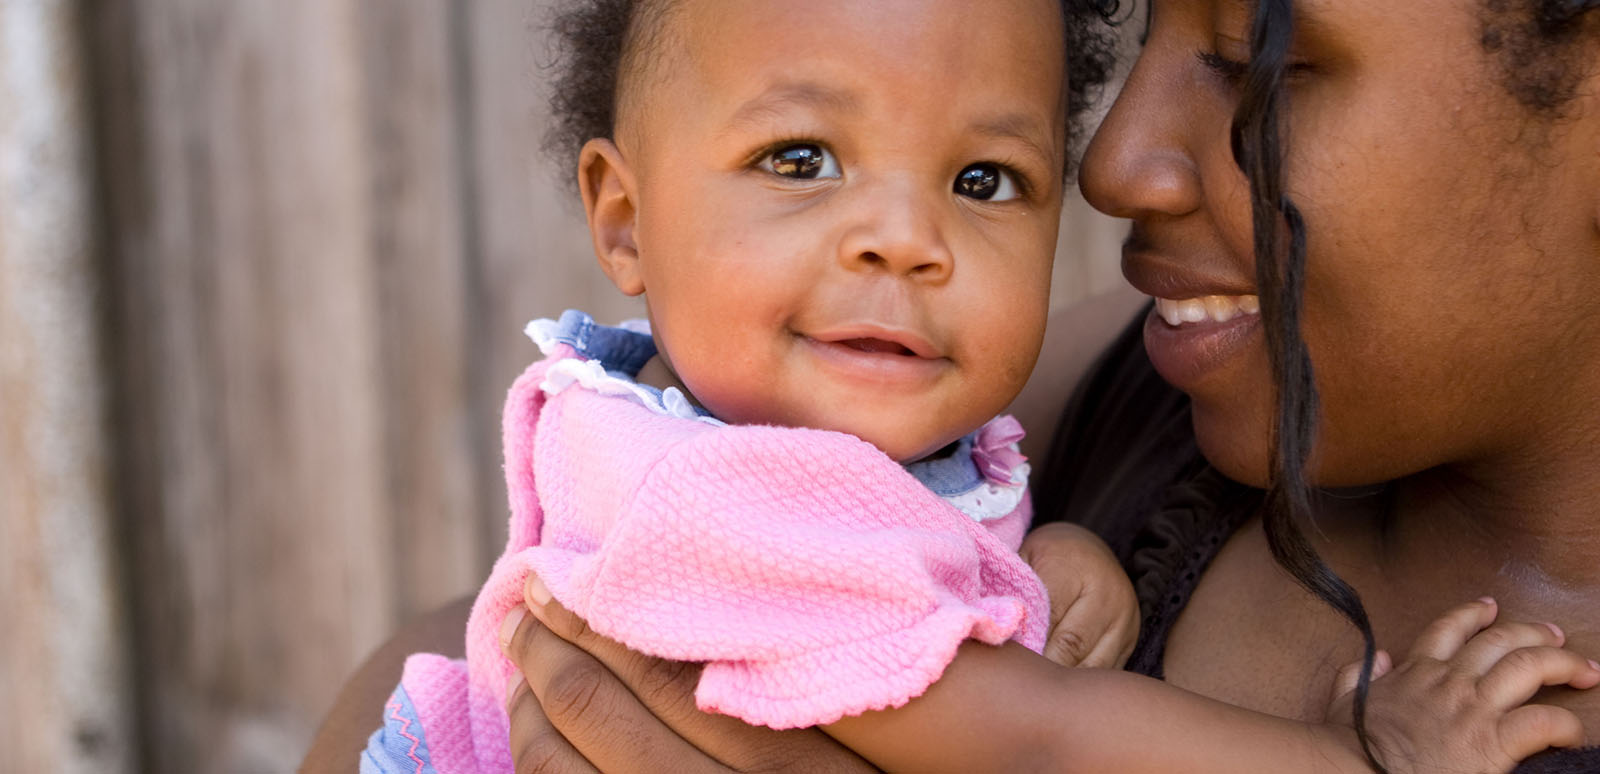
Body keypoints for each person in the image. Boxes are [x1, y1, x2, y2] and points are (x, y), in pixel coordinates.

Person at [301, 0, 1600, 771]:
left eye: (1257, 54)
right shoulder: (1133, 401)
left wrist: (1025, 565)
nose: (1112, 162)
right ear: (621, 215)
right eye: (802, 155)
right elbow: (455, 655)